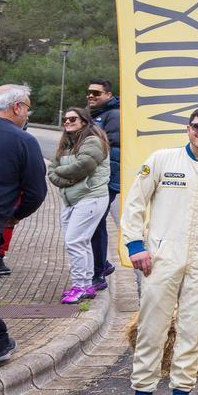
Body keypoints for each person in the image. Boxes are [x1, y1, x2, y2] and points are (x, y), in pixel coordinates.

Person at [113, 107, 198, 395]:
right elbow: (135, 202)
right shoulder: (162, 160)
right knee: (151, 328)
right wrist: (135, 246)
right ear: (188, 128)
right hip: (162, 256)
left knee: (193, 330)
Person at [0, 85, 48, 364]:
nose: (28, 113)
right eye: (27, 108)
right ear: (17, 107)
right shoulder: (23, 140)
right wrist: (15, 215)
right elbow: (36, 192)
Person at [48, 106, 111, 305]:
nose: (67, 122)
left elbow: (82, 166)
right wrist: (67, 179)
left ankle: (80, 286)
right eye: (66, 119)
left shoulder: (93, 141)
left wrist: (61, 172)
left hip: (90, 198)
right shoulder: (66, 143)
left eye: (72, 119)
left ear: (84, 121)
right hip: (70, 199)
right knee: (80, 242)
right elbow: (51, 172)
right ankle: (85, 285)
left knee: (75, 242)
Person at [87, 79, 120, 290]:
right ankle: (102, 265)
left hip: (106, 180)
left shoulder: (114, 115)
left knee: (96, 223)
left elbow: (111, 148)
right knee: (93, 222)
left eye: (96, 93)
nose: (91, 96)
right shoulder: (95, 114)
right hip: (96, 178)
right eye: (89, 92)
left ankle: (98, 273)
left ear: (108, 95)